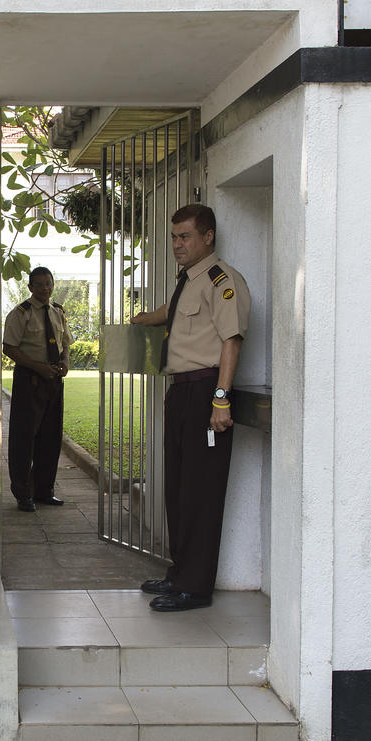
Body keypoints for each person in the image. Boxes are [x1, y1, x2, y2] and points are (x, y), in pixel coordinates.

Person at [131, 204, 250, 611]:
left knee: (200, 491)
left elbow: (231, 340)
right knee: (179, 488)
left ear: (208, 237)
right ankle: (179, 573)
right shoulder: (189, 281)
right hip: (181, 392)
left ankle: (195, 587)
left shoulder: (222, 281)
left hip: (206, 392)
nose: (177, 244)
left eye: (185, 237)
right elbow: (176, 313)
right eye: (175, 237)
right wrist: (146, 319)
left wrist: (221, 399)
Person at [3, 267, 72, 513]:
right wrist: (38, 368)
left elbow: (65, 344)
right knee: (24, 439)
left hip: (53, 382)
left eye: (48, 284)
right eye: (40, 284)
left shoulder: (58, 312)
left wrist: (64, 362)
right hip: (29, 381)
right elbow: (9, 348)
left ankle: (44, 491)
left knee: (50, 438)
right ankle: (23, 493)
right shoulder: (21, 314)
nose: (45, 288)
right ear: (30, 287)